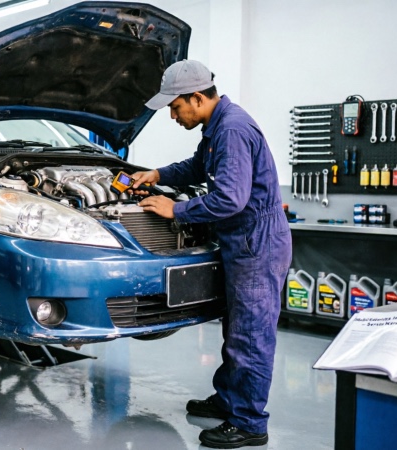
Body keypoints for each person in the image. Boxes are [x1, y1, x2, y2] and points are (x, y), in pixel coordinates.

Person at [133, 60, 292, 449]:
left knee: (250, 335)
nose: (172, 115)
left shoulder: (233, 129)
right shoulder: (217, 127)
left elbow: (230, 199)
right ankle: (229, 400)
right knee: (235, 330)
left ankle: (250, 423)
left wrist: (176, 210)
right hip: (245, 241)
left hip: (256, 241)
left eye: (175, 107)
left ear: (198, 97)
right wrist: (158, 173)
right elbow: (196, 167)